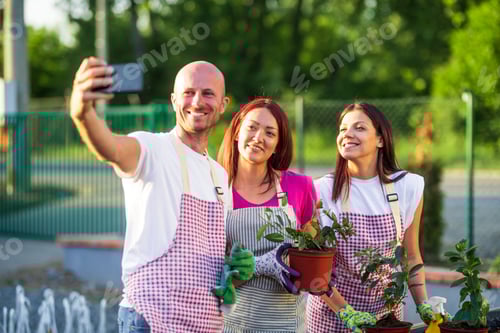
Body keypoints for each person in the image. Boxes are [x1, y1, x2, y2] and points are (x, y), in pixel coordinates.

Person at [69, 57, 254, 333]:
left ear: (223, 104)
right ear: (173, 100)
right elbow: (109, 148)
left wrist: (235, 271)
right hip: (150, 318)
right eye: (188, 93)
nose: (196, 102)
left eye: (207, 93)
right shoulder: (151, 148)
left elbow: (211, 257)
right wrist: (82, 112)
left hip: (204, 324)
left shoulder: (219, 175)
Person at [306, 103, 450, 332]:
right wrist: (346, 312)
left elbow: (411, 257)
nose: (347, 135)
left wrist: (424, 305)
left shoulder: (407, 187)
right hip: (332, 320)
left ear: (381, 140)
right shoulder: (321, 191)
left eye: (359, 128)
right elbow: (313, 268)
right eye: (342, 129)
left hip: (388, 322)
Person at [217, 98, 317, 332]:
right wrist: (256, 266)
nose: (259, 137)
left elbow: (312, 253)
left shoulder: (300, 187)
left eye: (270, 133)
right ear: (236, 131)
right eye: (252, 127)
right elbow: (206, 267)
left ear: (278, 144)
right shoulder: (215, 188)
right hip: (231, 322)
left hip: (286, 323)